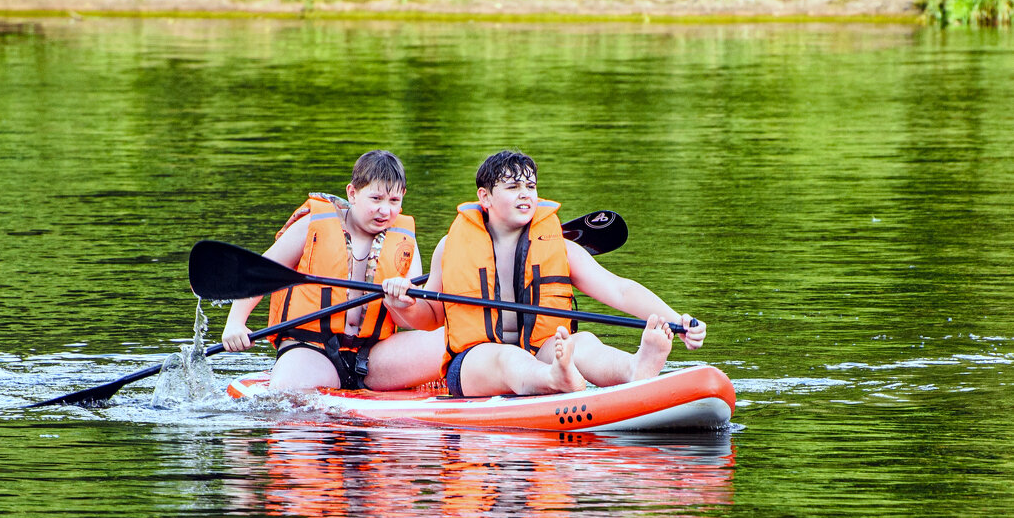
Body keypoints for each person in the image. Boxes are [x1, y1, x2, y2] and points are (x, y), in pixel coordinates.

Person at [397, 149, 707, 397]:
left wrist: (676, 319)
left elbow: (619, 290)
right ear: (485, 197)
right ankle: (555, 378)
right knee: (508, 358)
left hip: (542, 351)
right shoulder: (450, 246)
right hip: (474, 364)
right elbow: (431, 317)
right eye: (513, 186)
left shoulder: (559, 246)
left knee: (582, 343)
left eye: (530, 186)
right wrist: (404, 303)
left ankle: (634, 367)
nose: (526, 194)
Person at [220, 150, 444, 391]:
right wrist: (235, 323)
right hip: (311, 348)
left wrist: (401, 303)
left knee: (451, 341)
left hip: (375, 356)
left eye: (394, 201)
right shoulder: (312, 225)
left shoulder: (404, 240)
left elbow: (411, 321)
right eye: (376, 199)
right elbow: (258, 273)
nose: (385, 211)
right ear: (353, 193)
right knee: (286, 392)